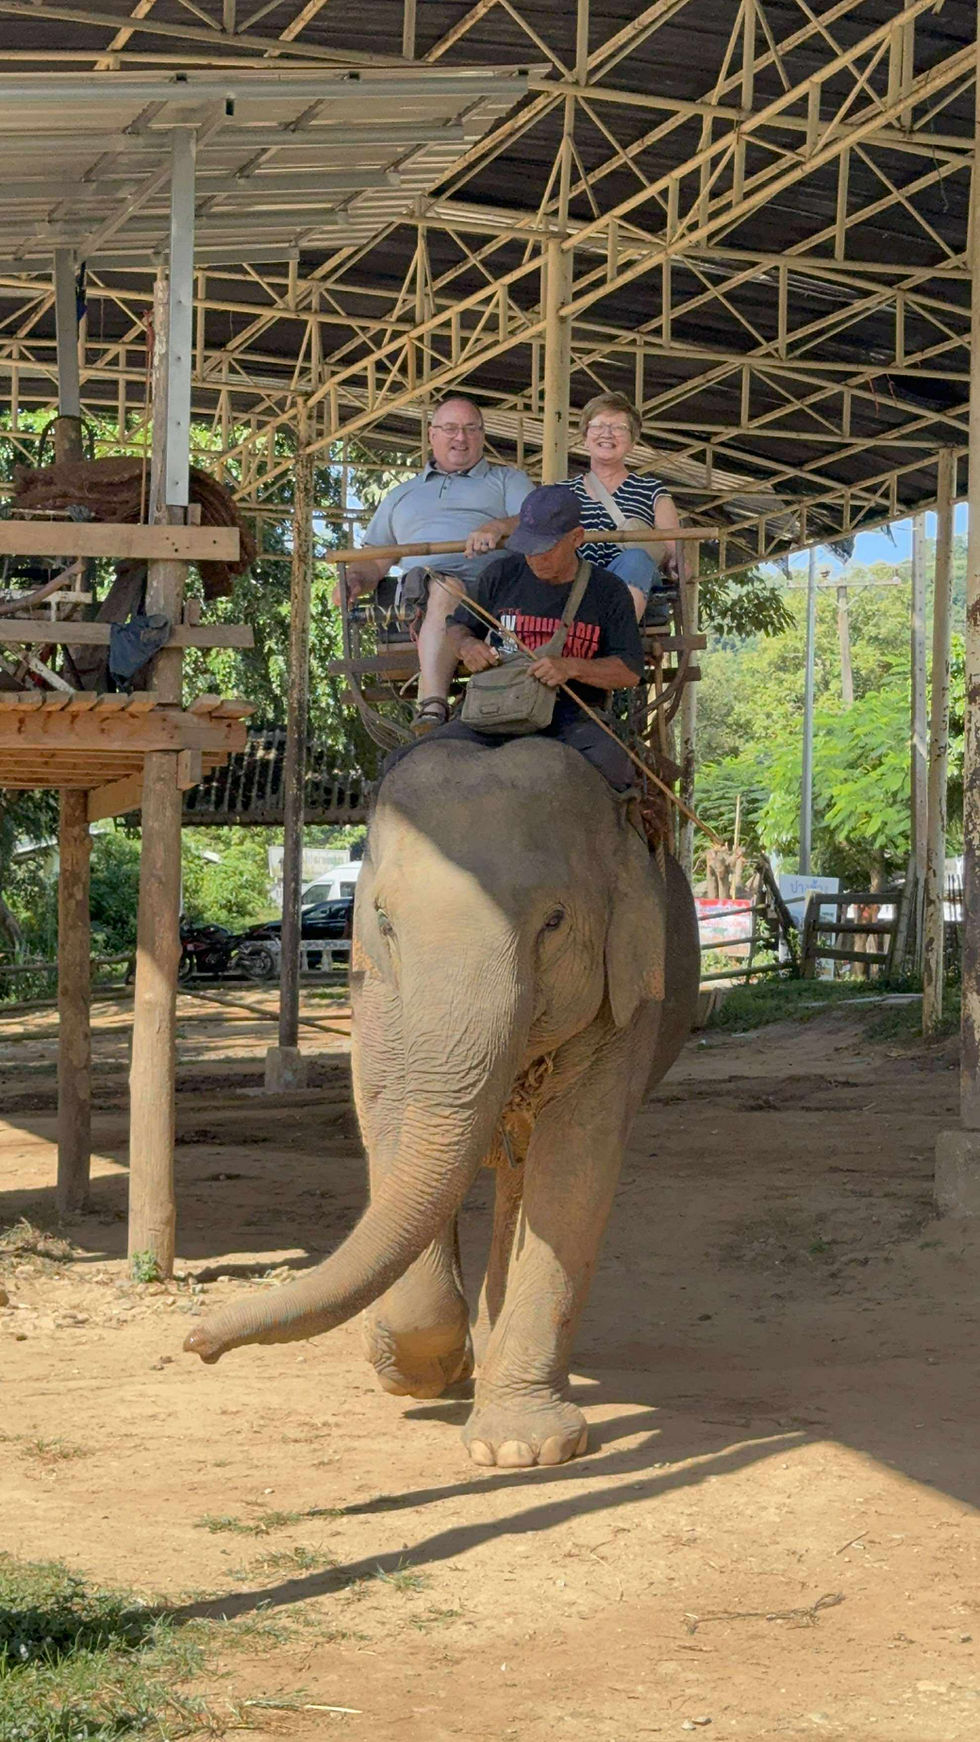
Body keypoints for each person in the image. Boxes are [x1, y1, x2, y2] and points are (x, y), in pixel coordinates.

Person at [404, 484, 643, 792]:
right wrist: (467, 646)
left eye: (546, 548)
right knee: (405, 762)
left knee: (617, 769)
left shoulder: (607, 591)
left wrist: (572, 668)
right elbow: (458, 627)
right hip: (492, 709)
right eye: (528, 547)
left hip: (568, 716)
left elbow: (629, 670)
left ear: (576, 538)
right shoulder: (501, 574)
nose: (534, 558)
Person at [340, 395, 533, 731]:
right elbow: (375, 563)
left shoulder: (507, 480)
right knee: (446, 586)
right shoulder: (402, 494)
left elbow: (537, 523)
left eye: (471, 429)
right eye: (451, 429)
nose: (461, 438)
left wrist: (499, 526)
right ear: (432, 435)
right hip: (424, 594)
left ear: (482, 435)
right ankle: (433, 703)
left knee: (453, 586)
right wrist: (355, 579)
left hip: (497, 594)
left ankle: (440, 705)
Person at [562, 392, 681, 622]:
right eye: (598, 425)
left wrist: (677, 563)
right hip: (576, 587)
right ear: (585, 437)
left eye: (618, 428)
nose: (607, 434)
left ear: (633, 443)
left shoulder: (653, 492)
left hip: (636, 585)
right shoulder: (562, 492)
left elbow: (673, 553)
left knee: (636, 559)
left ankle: (617, 637)